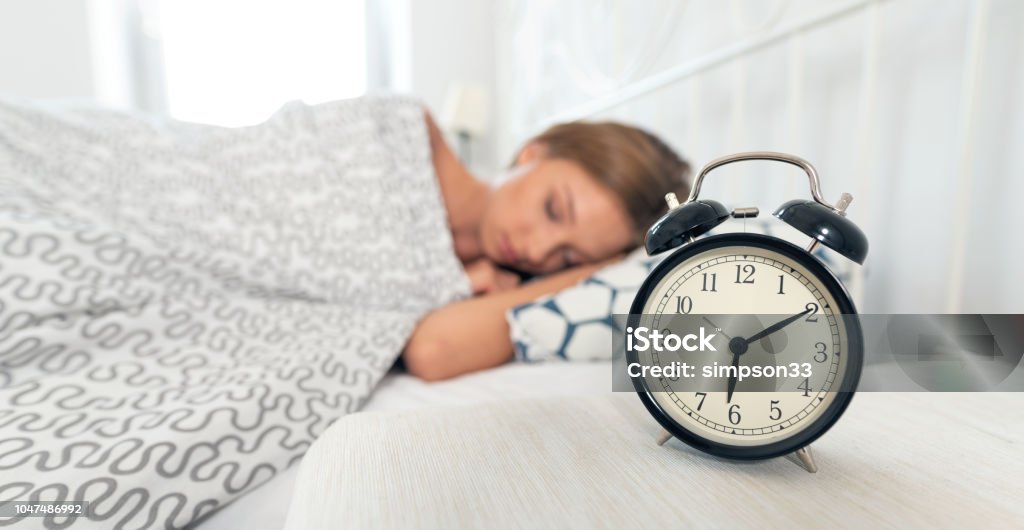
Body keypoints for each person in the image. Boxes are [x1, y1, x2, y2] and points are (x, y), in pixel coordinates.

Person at [403, 111, 691, 380]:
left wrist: (592, 272)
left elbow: (433, 351)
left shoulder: (506, 284)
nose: (538, 251)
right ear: (533, 153)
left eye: (568, 256)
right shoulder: (409, 136)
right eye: (553, 210)